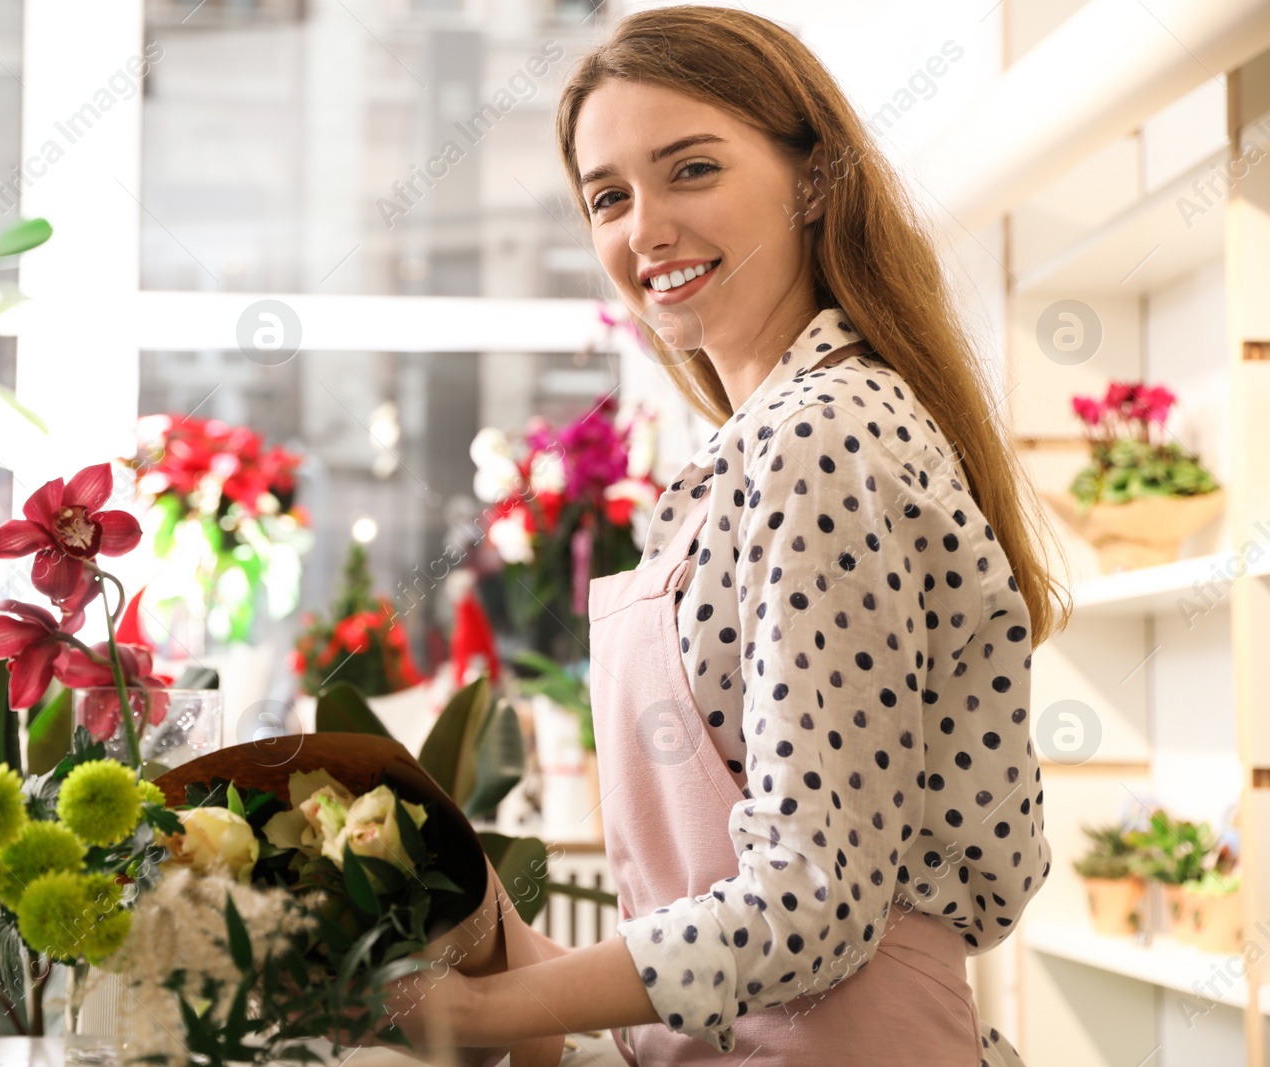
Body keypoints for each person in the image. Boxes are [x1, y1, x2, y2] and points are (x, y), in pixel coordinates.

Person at [377, 7, 1072, 1066]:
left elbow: (811, 900)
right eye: (608, 196)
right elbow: (726, 934)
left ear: (813, 179)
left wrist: (478, 1014)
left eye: (690, 169)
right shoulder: (741, 457)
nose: (643, 228)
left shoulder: (821, 436)